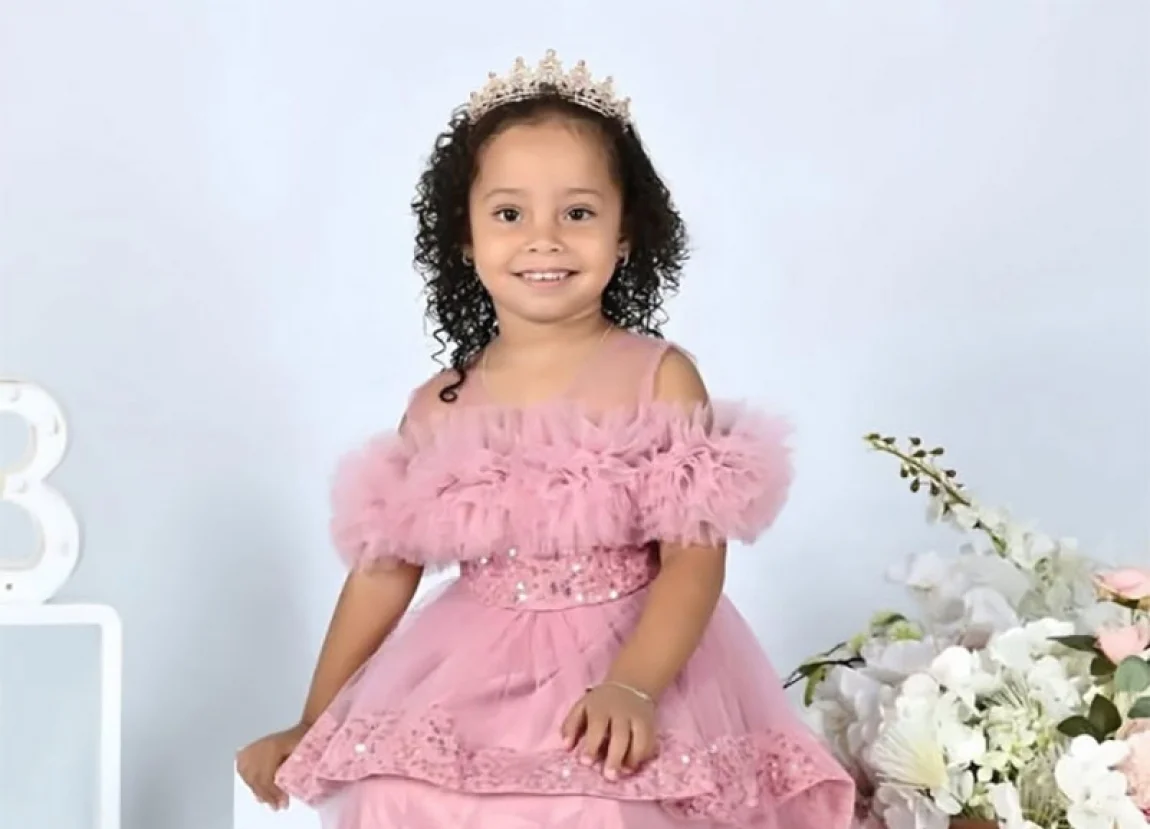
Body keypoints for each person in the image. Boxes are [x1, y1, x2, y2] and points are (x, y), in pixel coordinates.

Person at [236, 49, 856, 828]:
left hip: (634, 658)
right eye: (509, 214)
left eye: (578, 213)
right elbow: (381, 574)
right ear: (465, 239)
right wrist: (314, 718)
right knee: (394, 791)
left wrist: (633, 684)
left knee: (595, 795)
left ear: (625, 234)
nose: (544, 239)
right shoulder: (441, 405)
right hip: (473, 672)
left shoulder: (657, 377)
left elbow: (695, 561)